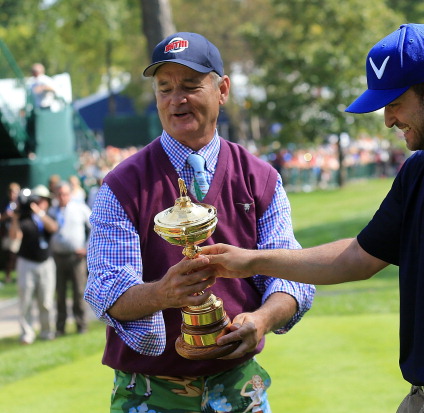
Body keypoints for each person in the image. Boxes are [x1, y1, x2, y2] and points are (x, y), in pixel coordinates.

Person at [200, 24, 424, 413]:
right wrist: (251, 260)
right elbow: (359, 257)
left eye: (394, 103)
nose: (388, 120)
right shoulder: (419, 171)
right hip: (421, 400)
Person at [84, 32, 315, 412]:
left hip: (239, 386)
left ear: (222, 89)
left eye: (191, 85)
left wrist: (260, 320)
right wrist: (163, 293)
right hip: (148, 391)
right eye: (165, 88)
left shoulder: (261, 178)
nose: (177, 99)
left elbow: (289, 273)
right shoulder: (122, 185)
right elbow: (106, 289)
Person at [9, 185, 58, 344]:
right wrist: (16, 217)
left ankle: (47, 331)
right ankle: (27, 333)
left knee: (46, 301)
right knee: (26, 301)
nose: (39, 202)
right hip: (27, 262)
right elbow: (15, 236)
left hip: (46, 262)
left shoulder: (46, 214)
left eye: (42, 200)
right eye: (37, 200)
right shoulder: (23, 217)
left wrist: (39, 213)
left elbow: (53, 228)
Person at [49, 181, 91, 335]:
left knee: (78, 291)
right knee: (60, 293)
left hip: (76, 257)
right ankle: (60, 326)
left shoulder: (79, 208)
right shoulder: (52, 211)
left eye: (65, 194)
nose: (62, 197)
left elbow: (93, 226)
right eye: (59, 194)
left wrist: (87, 247)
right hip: (58, 257)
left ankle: (81, 325)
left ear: (70, 195)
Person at [0, 182, 21, 284]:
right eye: (11, 192)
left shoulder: (20, 202)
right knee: (7, 254)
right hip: (6, 231)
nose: (13, 194)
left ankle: (16, 276)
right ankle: (8, 275)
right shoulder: (5, 202)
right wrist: (6, 215)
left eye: (15, 192)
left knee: (14, 253)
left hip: (17, 231)